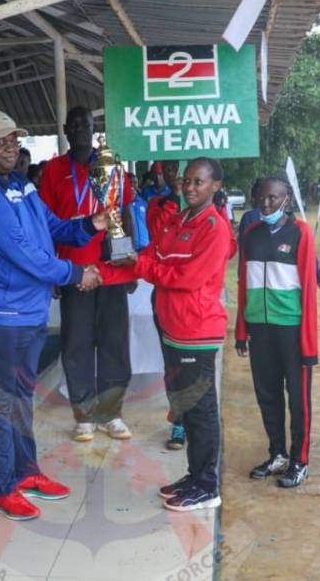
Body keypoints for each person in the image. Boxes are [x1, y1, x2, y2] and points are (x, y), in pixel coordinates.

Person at [0, 110, 108, 521]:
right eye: (1, 140)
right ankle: (2, 487)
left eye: (15, 139)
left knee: (22, 395)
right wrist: (76, 273)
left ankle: (26, 473)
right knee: (0, 399)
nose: (11, 146)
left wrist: (91, 224)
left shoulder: (21, 185)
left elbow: (54, 228)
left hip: (29, 308)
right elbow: (25, 253)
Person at [99, 158, 236, 512]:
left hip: (196, 330)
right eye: (187, 180)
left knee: (201, 408)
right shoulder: (178, 220)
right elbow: (152, 261)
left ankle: (208, 486)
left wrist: (137, 263)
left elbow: (185, 278)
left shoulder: (214, 228)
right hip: (172, 327)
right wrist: (104, 272)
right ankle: (195, 475)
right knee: (186, 406)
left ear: (215, 187)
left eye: (199, 182)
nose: (190, 187)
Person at [39, 106, 134, 442]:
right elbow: (45, 226)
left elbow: (124, 212)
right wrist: (52, 271)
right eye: (75, 124)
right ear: (65, 128)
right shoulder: (53, 170)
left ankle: (112, 413)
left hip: (110, 268)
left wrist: (129, 262)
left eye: (86, 123)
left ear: (94, 128)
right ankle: (83, 413)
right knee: (76, 343)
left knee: (114, 342)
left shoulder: (111, 163)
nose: (80, 128)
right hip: (74, 271)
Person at [233, 177, 318, 489]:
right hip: (260, 329)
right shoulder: (252, 234)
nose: (266, 204)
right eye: (261, 198)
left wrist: (309, 345)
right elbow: (243, 283)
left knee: (298, 399)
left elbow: (309, 290)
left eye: (273, 198)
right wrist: (241, 330)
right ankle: (278, 453)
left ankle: (300, 460)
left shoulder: (300, 233)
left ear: (286, 199)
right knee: (267, 395)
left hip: (292, 330)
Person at [143, 159, 186, 451]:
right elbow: (158, 240)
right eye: (170, 170)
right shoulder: (157, 206)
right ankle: (179, 420)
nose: (177, 176)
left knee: (195, 365)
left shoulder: (211, 207)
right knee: (172, 363)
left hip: (196, 303)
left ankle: (200, 418)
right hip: (164, 296)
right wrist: (174, 201)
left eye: (182, 169)